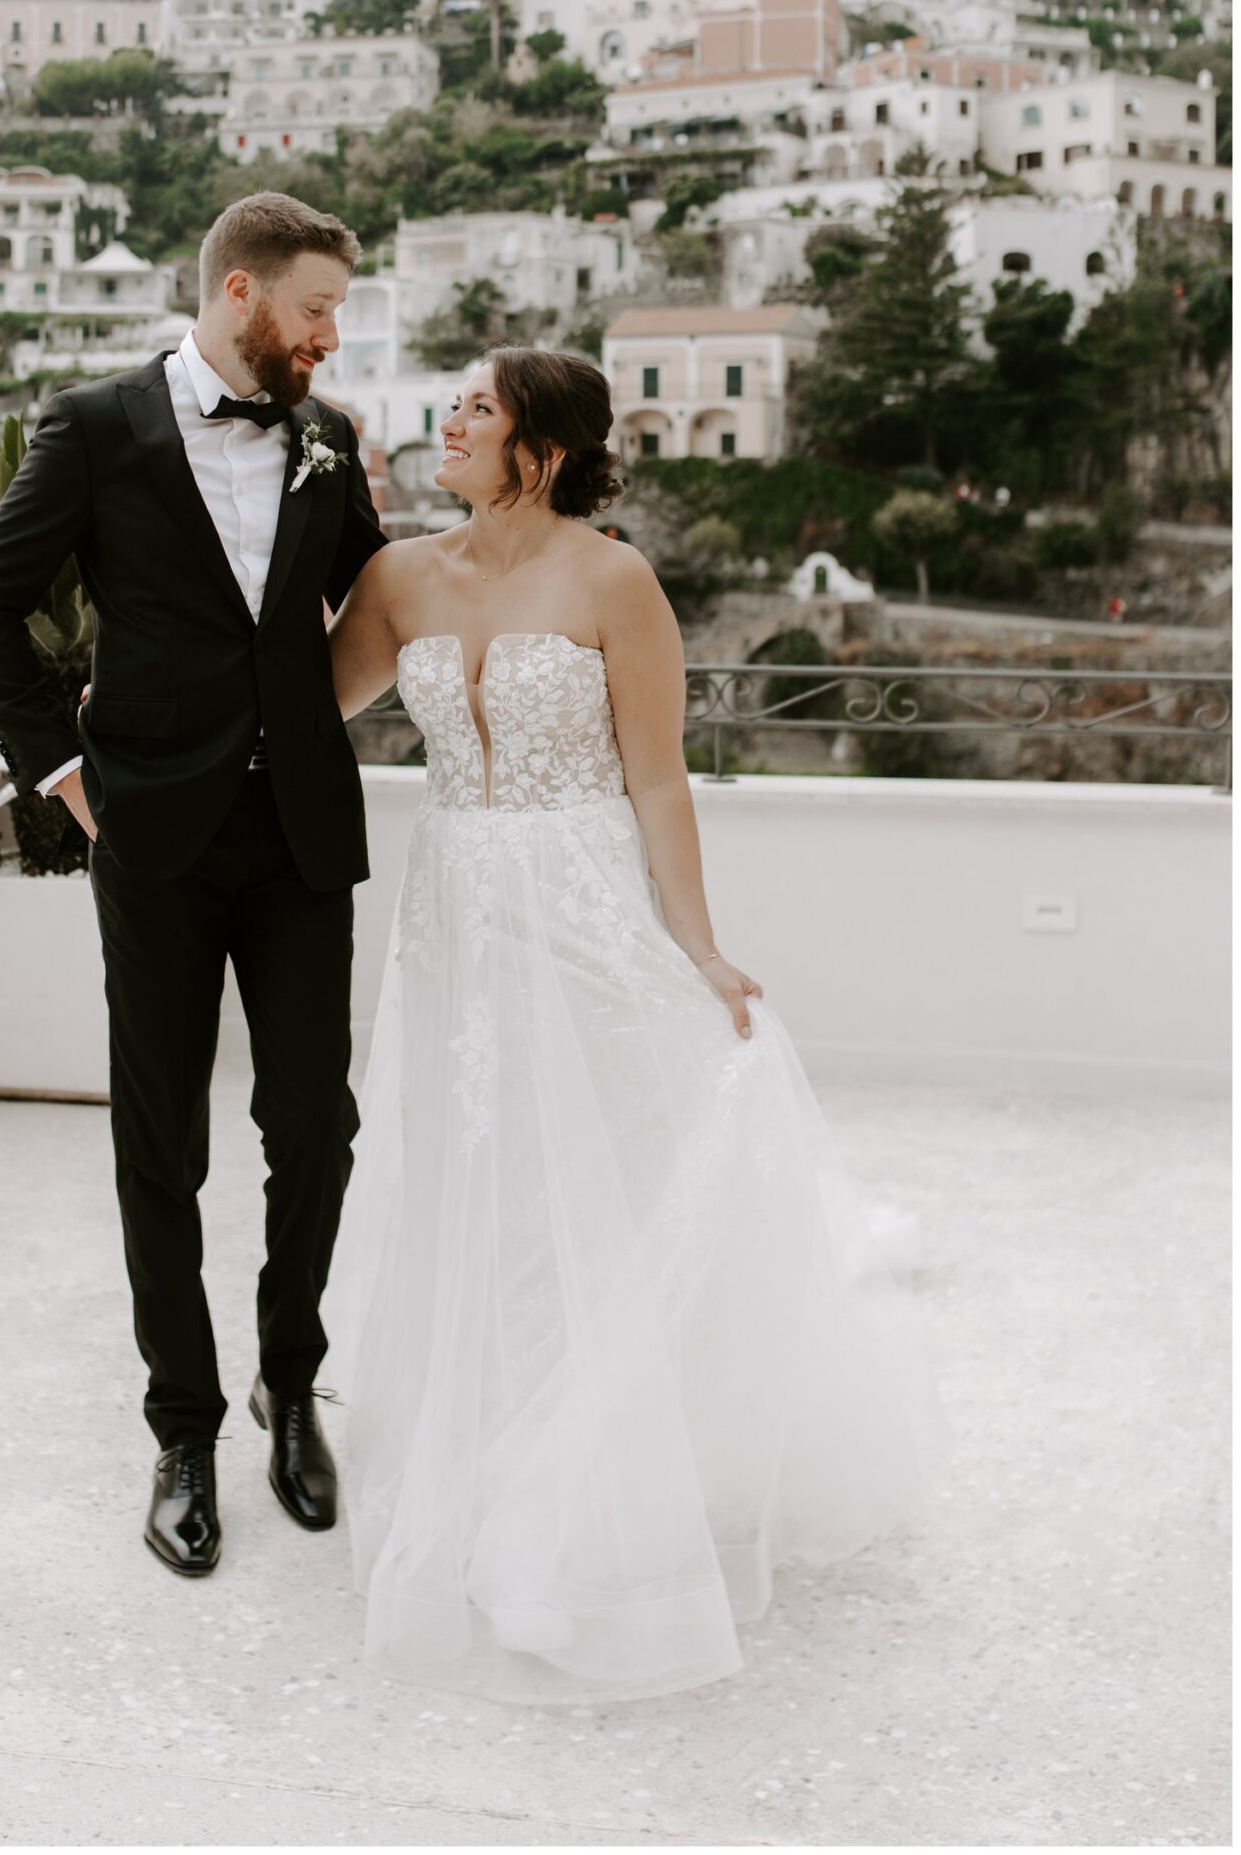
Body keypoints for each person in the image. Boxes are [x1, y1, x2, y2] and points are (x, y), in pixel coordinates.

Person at [322, 348, 952, 1703]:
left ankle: (588, 1483)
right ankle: (483, 1453)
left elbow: (659, 782)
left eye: (477, 410)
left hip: (585, 901)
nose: (451, 422)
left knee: (596, 1182)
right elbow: (305, 706)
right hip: (457, 917)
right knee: (470, 1179)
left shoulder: (616, 581)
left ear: (540, 449)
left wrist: (700, 946)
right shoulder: (397, 574)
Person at [0, 192, 386, 1579]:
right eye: (316, 310)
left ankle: (289, 1383)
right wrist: (61, 779)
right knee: (163, 1142)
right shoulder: (95, 427)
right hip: (155, 836)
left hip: (303, 831)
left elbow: (382, 593)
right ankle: (184, 1425)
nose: (332, 337)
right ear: (242, 294)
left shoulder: (328, 438)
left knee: (314, 1121)